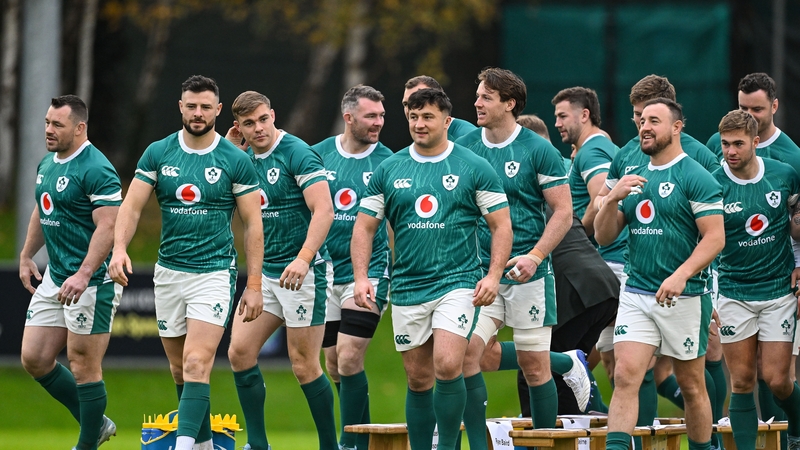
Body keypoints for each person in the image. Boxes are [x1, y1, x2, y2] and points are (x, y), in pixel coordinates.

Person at [109, 76, 264, 450]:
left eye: (205, 106)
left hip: (212, 273)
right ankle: (205, 445)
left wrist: (255, 285)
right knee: (182, 369)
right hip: (168, 273)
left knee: (197, 362)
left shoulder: (235, 160)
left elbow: (253, 224)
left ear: (218, 110)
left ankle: (182, 447)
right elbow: (131, 206)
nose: (198, 113)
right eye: (191, 105)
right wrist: (118, 248)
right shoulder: (158, 153)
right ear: (180, 106)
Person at [352, 88, 512, 450]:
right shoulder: (389, 169)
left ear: (447, 121)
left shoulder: (473, 166)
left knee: (447, 363)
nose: (419, 124)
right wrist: (362, 277)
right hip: (408, 287)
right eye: (413, 117)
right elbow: (364, 227)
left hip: (457, 283)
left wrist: (492, 275)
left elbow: (501, 225)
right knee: (418, 378)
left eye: (427, 117)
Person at [597, 76, 726, 448]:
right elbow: (604, 236)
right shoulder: (632, 173)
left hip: (683, 298)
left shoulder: (696, 175)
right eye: (641, 121)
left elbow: (715, 237)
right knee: (625, 375)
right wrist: (611, 199)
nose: (645, 127)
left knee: (691, 385)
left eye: (654, 121)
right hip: (636, 291)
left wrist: (682, 275)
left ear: (676, 127)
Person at [455, 68, 573, 448]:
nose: (477, 103)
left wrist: (536, 257)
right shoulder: (467, 148)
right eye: (477, 96)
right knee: (465, 356)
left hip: (529, 277)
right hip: (480, 275)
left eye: (486, 97)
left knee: (534, 366)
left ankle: (546, 442)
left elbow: (563, 212)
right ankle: (477, 443)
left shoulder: (538, 150)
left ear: (510, 103)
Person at [223, 91, 337, 450]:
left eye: (262, 119)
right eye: (248, 124)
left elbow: (324, 210)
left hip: (305, 274)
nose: (258, 129)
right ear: (238, 127)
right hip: (265, 276)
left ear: (273, 115)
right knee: (239, 354)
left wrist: (303, 258)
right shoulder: (241, 159)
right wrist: (229, 153)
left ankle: (328, 446)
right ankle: (258, 444)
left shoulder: (296, 152)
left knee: (304, 365)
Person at [19, 95, 122, 450]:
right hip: (57, 275)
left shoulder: (96, 168)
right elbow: (42, 207)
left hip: (92, 281)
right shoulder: (48, 163)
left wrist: (83, 272)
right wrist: (27, 254)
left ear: (79, 128)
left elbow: (108, 227)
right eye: (47, 122)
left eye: (57, 125)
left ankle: (86, 444)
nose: (48, 130)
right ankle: (96, 422)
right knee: (34, 357)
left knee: (82, 365)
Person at [713, 109, 800, 450]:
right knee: (743, 380)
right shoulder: (712, 182)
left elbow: (796, 229)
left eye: (738, 144)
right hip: (734, 292)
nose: (731, 151)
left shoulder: (784, 175)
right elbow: (704, 239)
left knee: (778, 380)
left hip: (778, 290)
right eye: (725, 144)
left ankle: (795, 429)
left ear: (755, 142)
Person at [313, 85, 393, 450]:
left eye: (381, 116)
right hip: (325, 274)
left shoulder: (389, 162)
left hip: (370, 273)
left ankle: (352, 445)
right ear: (348, 118)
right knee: (333, 364)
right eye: (370, 116)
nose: (378, 123)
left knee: (348, 355)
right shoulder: (317, 156)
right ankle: (366, 438)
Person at [402, 75, 477, 140]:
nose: (410, 109)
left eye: (419, 102)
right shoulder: (423, 137)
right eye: (406, 104)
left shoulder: (467, 136)